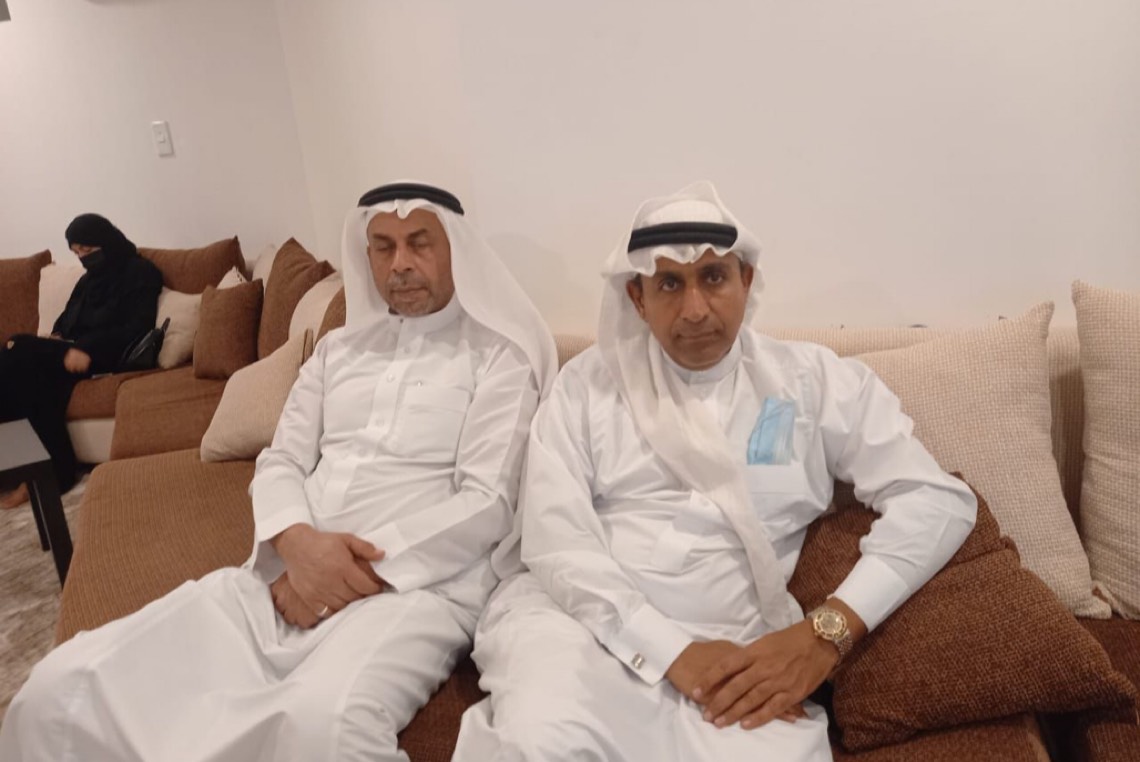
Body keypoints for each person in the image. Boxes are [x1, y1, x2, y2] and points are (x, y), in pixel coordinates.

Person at [0, 182, 556, 762]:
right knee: (59, 690)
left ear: (455, 250)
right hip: (279, 572)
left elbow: (486, 502)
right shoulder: (337, 352)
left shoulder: (500, 356)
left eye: (420, 243)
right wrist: (296, 544)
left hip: (416, 590)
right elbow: (282, 459)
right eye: (383, 247)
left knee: (323, 727)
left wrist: (333, 571)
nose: (400, 264)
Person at [453, 181, 978, 761]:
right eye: (669, 284)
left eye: (713, 277)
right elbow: (558, 543)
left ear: (745, 281)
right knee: (542, 739)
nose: (695, 309)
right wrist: (671, 651)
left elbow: (937, 502)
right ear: (636, 297)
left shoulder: (813, 382)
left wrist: (826, 632)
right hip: (584, 625)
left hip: (740, 645)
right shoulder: (585, 387)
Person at [0, 214, 162, 508]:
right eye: (77, 253)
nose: (83, 258)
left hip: (103, 354)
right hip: (69, 354)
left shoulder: (140, 272)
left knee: (17, 347)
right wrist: (57, 340)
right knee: (17, 365)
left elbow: (136, 328)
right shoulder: (87, 282)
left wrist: (82, 349)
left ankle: (42, 473)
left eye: (87, 250)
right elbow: (66, 319)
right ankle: (41, 472)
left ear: (106, 242)